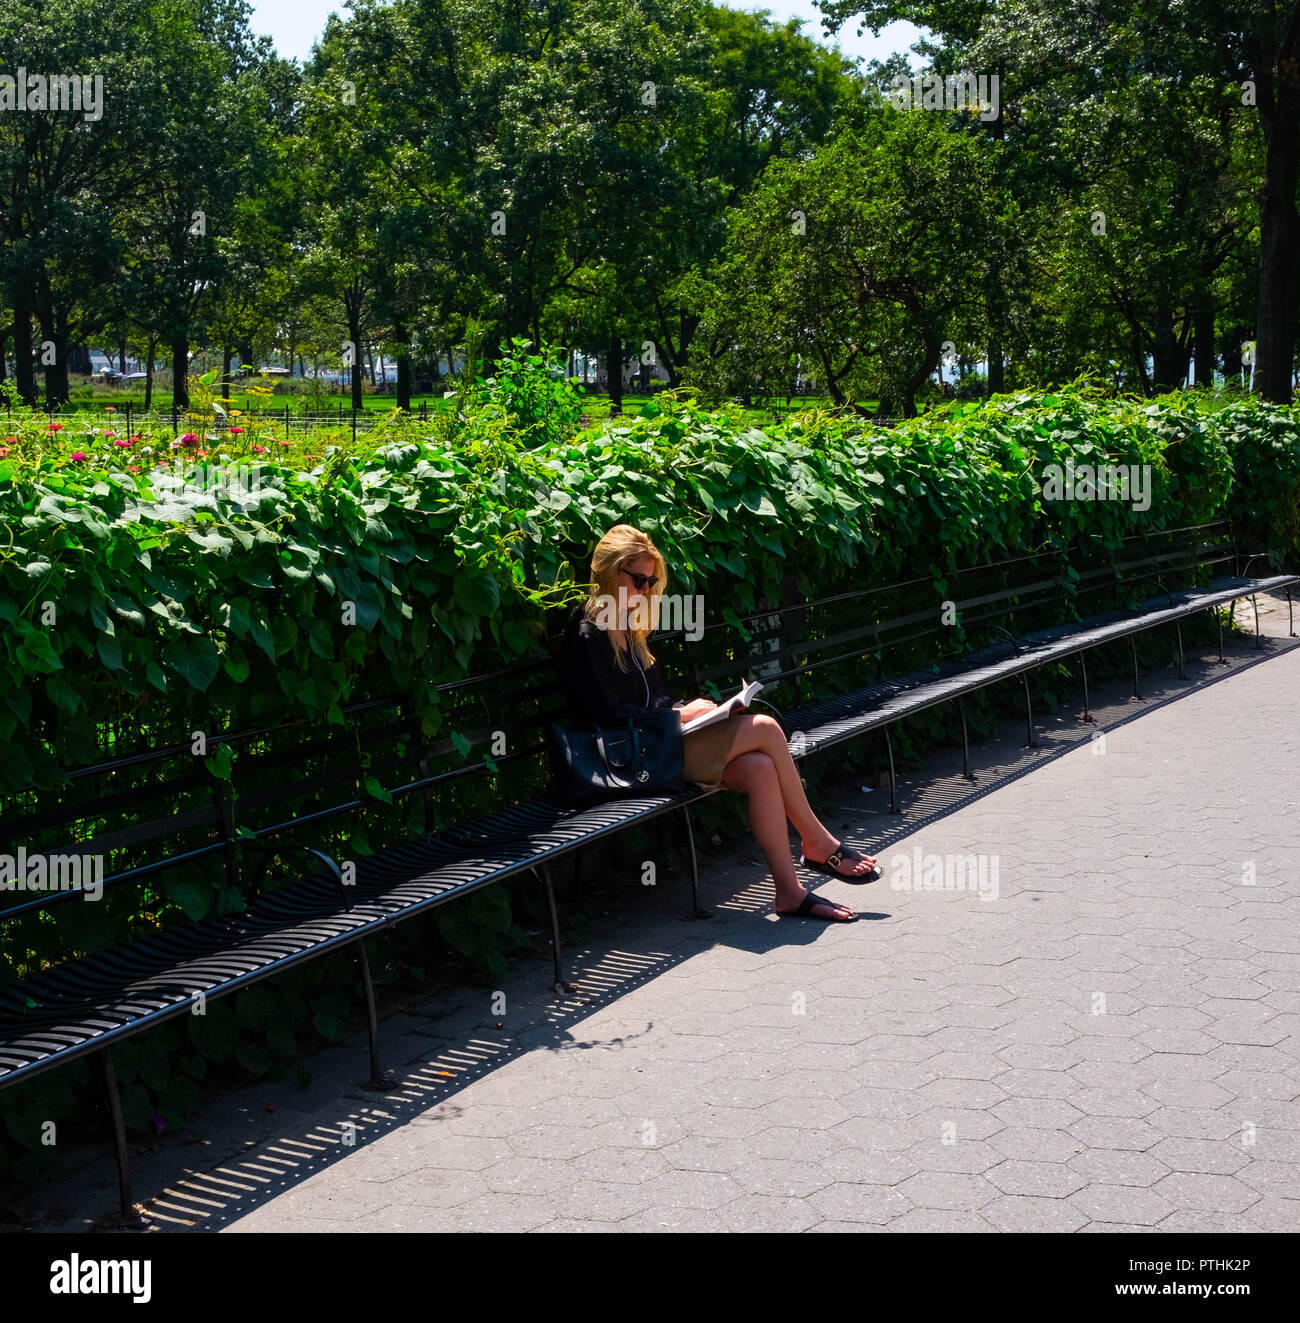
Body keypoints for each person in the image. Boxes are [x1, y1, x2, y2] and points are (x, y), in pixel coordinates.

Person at [557, 524, 880, 923]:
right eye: (638, 580)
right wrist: (677, 716)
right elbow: (603, 717)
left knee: (760, 767)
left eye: (651, 581)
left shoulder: (629, 627)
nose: (644, 590)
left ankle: (788, 892)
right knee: (764, 728)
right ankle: (816, 841)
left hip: (657, 746)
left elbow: (651, 701)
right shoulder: (587, 633)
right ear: (608, 572)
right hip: (627, 762)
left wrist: (695, 710)